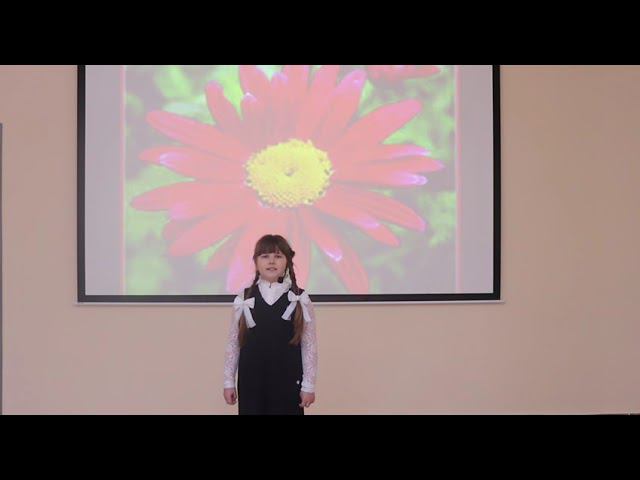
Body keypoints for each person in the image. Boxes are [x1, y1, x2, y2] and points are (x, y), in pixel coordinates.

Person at [223, 234, 318, 415]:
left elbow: (309, 345)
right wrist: (228, 382)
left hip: (288, 379)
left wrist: (309, 385)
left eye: (278, 256)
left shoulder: (300, 298)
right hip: (251, 380)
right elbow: (233, 344)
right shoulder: (243, 299)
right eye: (265, 256)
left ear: (287, 262)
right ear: (256, 262)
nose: (271, 261)